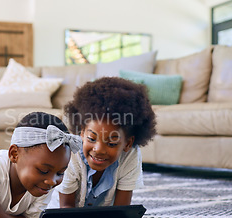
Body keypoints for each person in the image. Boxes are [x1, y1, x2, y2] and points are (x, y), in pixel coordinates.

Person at [50, 77, 156, 208]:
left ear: (128, 143)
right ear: (82, 132)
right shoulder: (71, 152)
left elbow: (121, 210)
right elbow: (66, 208)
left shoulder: (131, 154)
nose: (99, 149)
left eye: (111, 143)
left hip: (102, 217)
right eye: (91, 139)